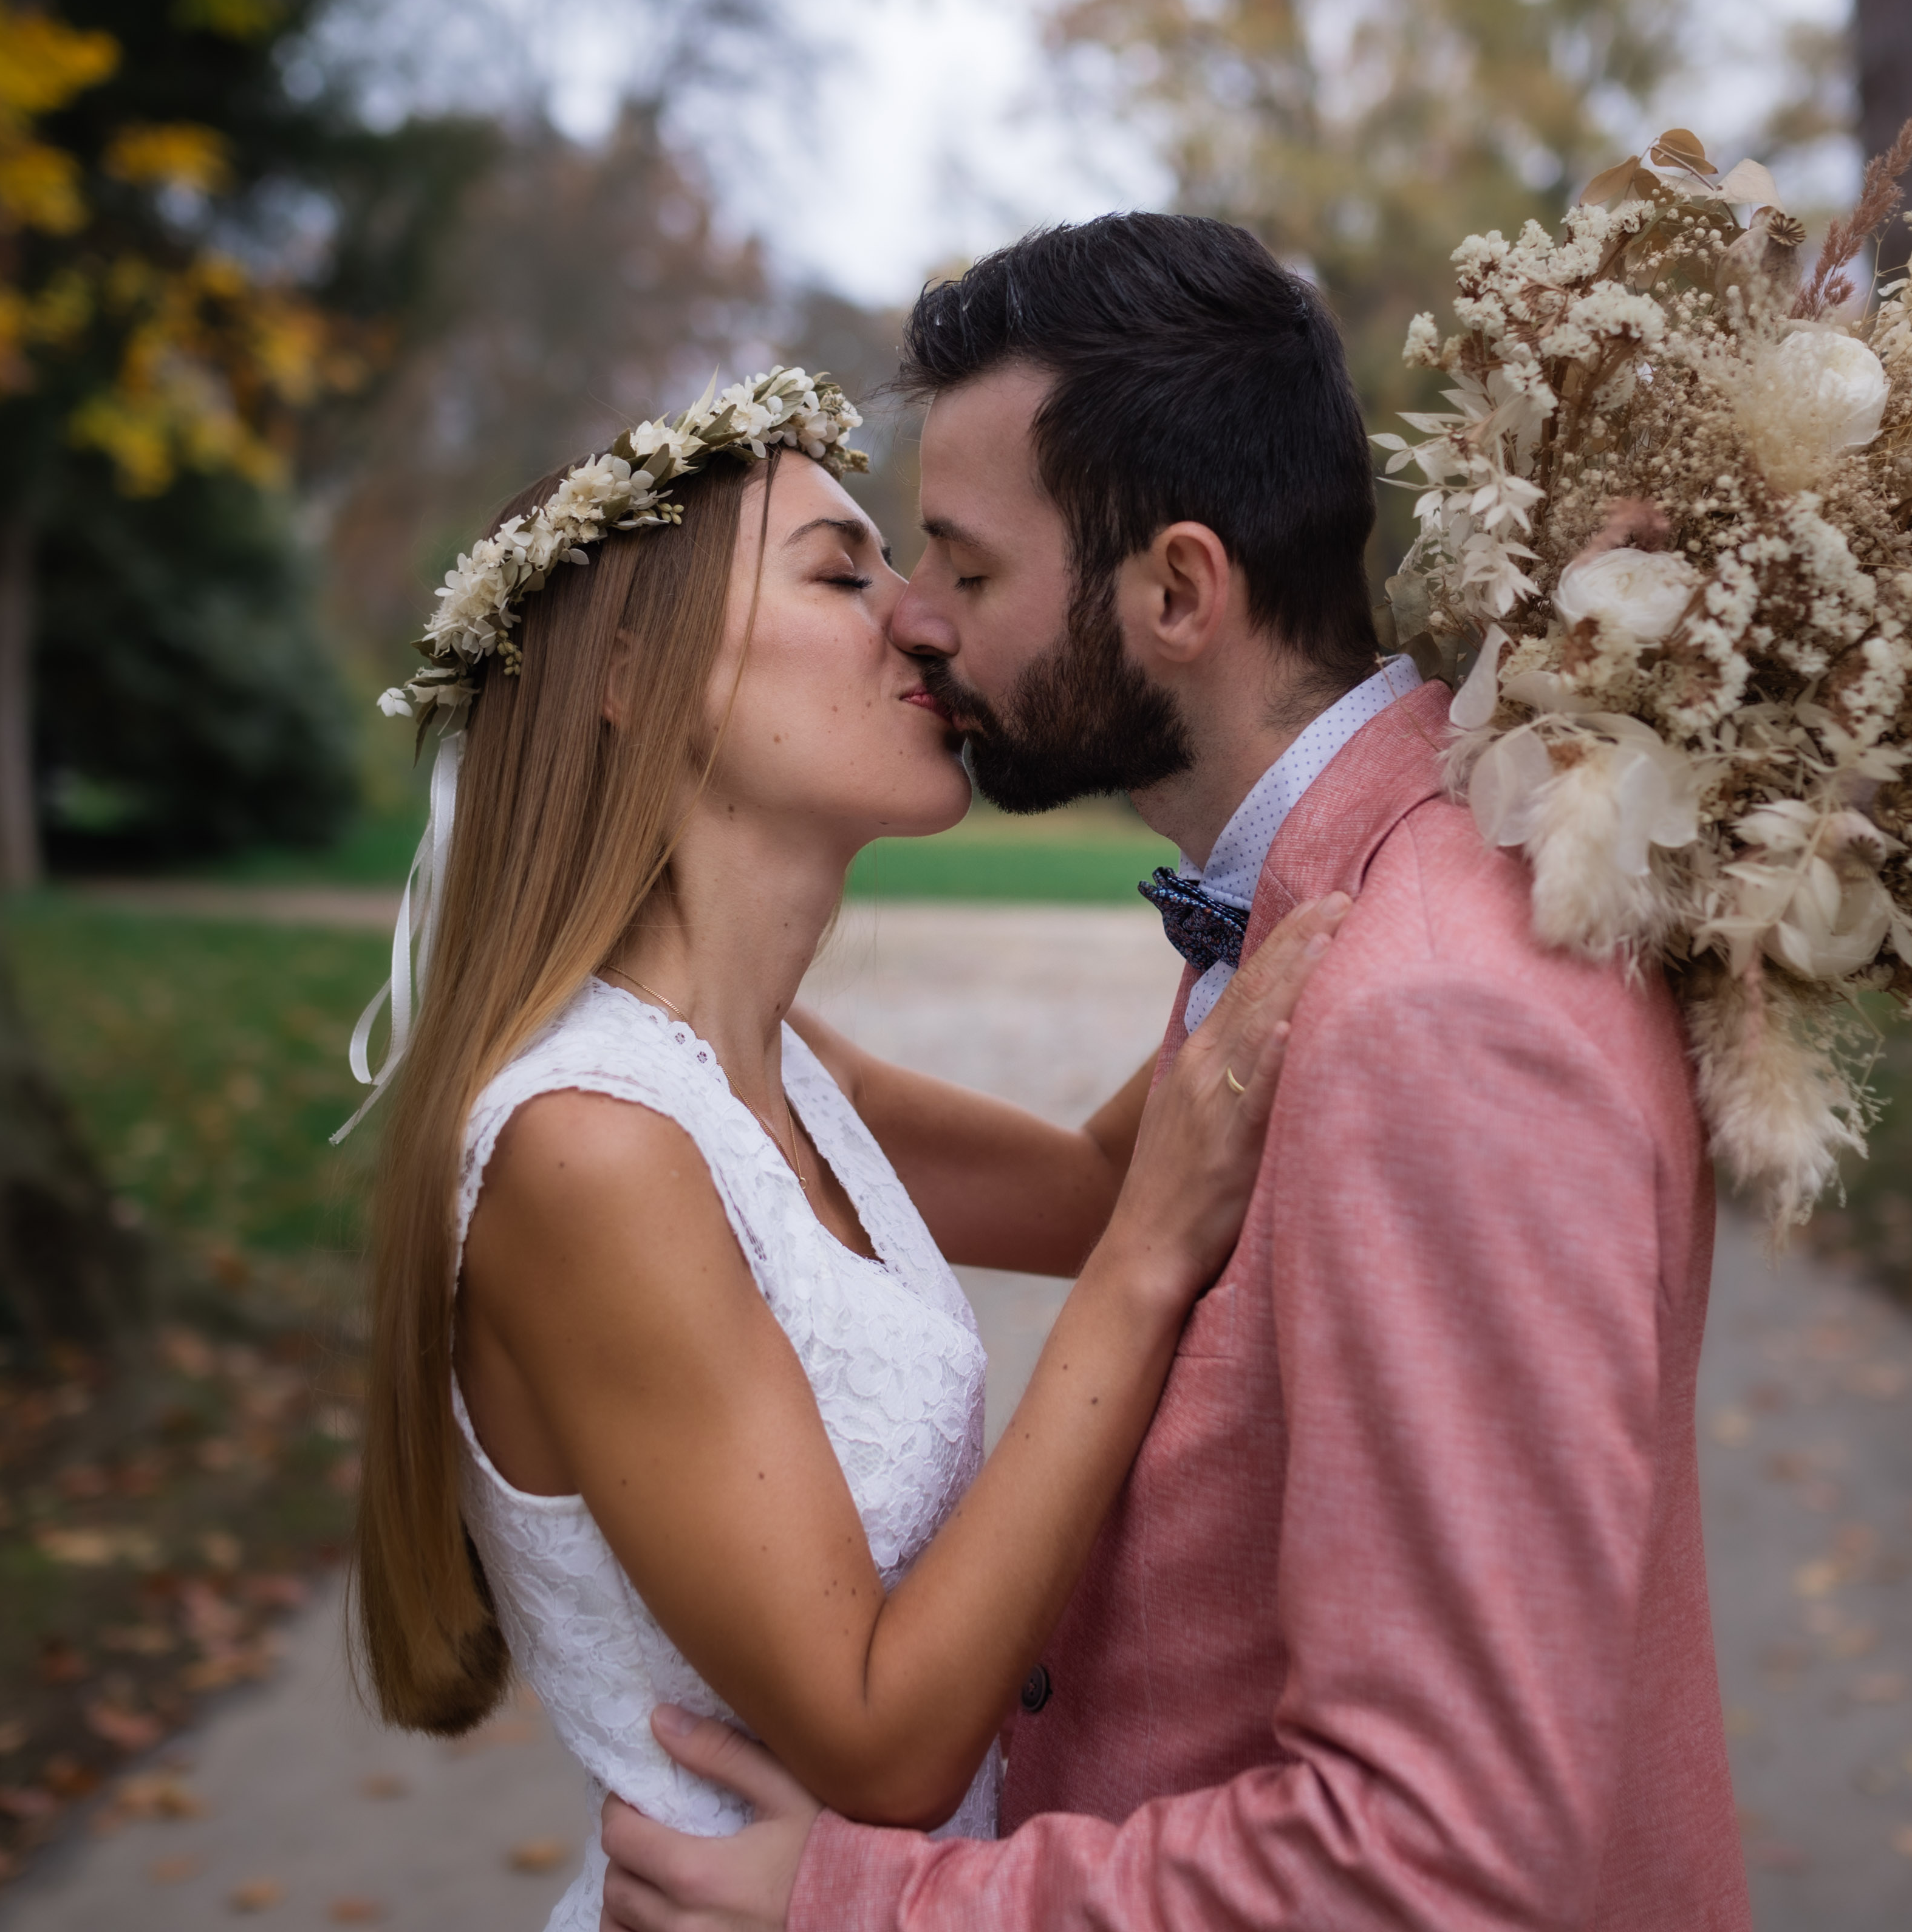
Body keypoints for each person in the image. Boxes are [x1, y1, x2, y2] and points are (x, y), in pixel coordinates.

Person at [599, 217, 1752, 1930]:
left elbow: (1442, 1856)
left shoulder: (1436, 1007)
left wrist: (877, 1909)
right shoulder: (1329, 903)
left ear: (1179, 593)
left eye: (969, 573)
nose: (917, 623)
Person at [343, 367, 1351, 1932]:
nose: (920, 618)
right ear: (632, 674)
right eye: (842, 571)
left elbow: (1095, 1190)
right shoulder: (589, 1151)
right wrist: (1146, 1268)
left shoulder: (785, 1074)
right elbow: (883, 1740)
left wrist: (1363, 823)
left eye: (908, 566)